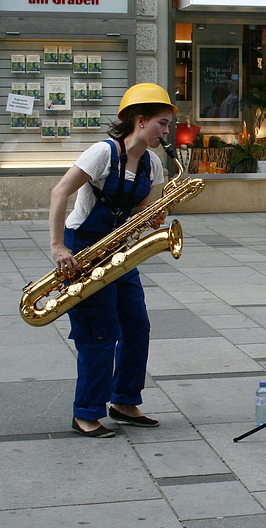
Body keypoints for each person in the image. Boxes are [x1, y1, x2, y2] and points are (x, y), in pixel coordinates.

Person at [48, 83, 177, 437]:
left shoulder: (153, 164)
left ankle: (124, 401)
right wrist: (59, 247)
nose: (166, 133)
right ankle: (86, 412)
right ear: (140, 120)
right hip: (84, 247)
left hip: (117, 250)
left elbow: (139, 207)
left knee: (137, 327)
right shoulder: (103, 153)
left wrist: (152, 215)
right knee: (99, 333)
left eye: (167, 126)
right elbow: (60, 192)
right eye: (162, 124)